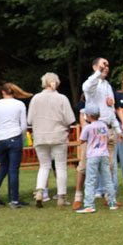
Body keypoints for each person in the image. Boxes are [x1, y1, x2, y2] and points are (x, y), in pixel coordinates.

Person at [27, 72, 76, 207]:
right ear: (57, 83)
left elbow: (29, 120)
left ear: (43, 83)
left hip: (40, 136)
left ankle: (39, 191)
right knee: (60, 166)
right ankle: (61, 197)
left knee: (44, 166)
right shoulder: (62, 98)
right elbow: (70, 119)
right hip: (58, 135)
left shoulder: (35, 98)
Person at [83, 57, 123, 203]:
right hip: (95, 129)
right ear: (95, 67)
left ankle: (109, 195)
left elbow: (110, 109)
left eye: (107, 65)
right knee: (92, 164)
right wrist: (98, 73)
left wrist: (118, 129)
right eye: (102, 65)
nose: (106, 67)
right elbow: (86, 87)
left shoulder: (108, 86)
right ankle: (91, 194)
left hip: (108, 128)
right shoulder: (92, 84)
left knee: (110, 164)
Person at [0, 82, 32, 208]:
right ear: (14, 92)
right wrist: (22, 139)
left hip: (0, 139)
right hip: (14, 137)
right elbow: (23, 126)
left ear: (3, 92)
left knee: (3, 168)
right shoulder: (20, 104)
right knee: (13, 170)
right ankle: (15, 200)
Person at [76, 104, 117, 213]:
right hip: (104, 154)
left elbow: (81, 140)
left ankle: (89, 204)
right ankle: (112, 202)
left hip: (93, 155)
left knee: (90, 180)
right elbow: (107, 138)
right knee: (108, 180)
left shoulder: (88, 127)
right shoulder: (104, 126)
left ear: (88, 116)